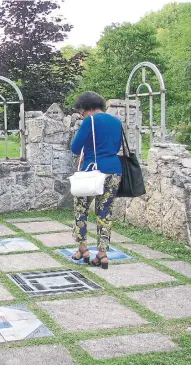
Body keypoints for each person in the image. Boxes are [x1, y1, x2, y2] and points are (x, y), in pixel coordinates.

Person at [70, 92, 122, 269]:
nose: (81, 115)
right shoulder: (116, 122)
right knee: (105, 211)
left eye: (81, 111)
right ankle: (103, 254)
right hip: (114, 171)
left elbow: (75, 148)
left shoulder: (89, 121)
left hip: (93, 172)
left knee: (81, 209)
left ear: (85, 108)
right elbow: (116, 147)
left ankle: (83, 248)